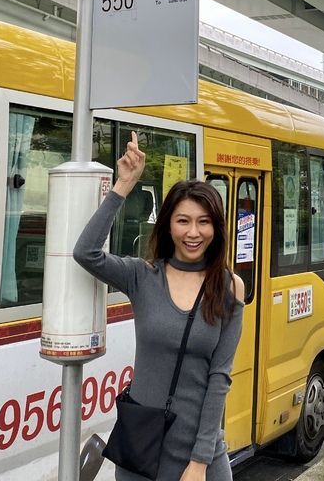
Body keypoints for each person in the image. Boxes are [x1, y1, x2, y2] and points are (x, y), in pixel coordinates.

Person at [73, 132, 244, 481]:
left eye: (204, 221)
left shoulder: (228, 287)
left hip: (202, 456)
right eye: (183, 220)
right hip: (143, 449)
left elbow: (219, 378)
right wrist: (123, 185)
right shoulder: (143, 277)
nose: (193, 232)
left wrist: (199, 463)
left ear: (217, 227)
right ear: (167, 224)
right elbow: (86, 252)